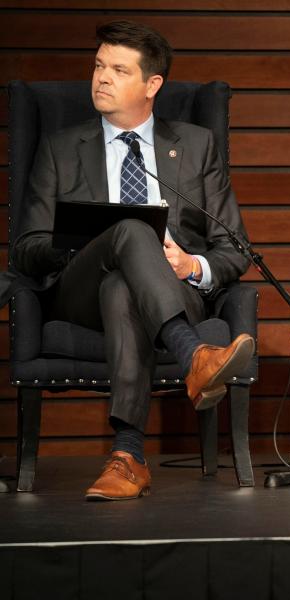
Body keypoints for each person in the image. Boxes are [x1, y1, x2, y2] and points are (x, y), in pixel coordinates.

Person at [12, 21, 254, 500]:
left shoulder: (196, 146)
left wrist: (190, 267)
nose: (101, 77)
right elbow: (25, 248)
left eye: (118, 70)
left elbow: (235, 250)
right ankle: (194, 355)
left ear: (152, 85)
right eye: (99, 66)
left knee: (123, 288)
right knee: (126, 230)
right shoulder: (61, 149)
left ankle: (127, 458)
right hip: (78, 290)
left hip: (169, 288)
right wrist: (81, 241)